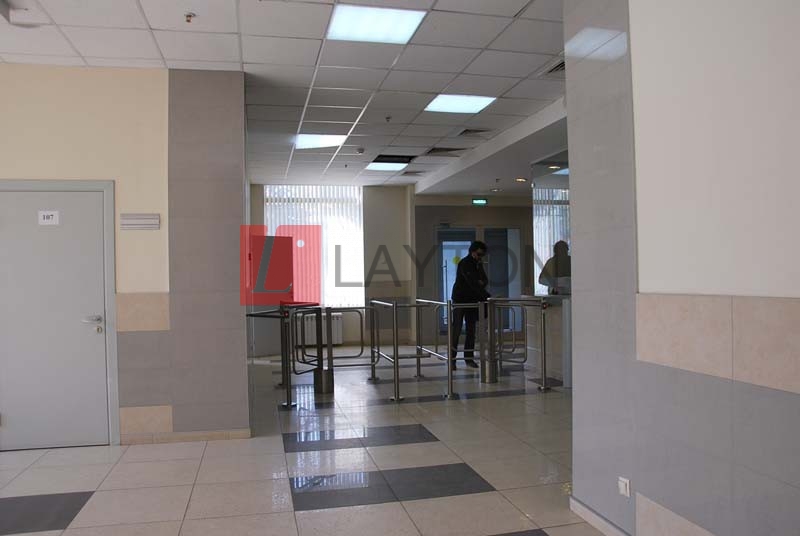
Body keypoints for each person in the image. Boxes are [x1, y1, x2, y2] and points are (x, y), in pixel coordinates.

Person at [450, 241, 490, 369]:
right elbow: (472, 282)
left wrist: (480, 283)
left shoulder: (478, 264)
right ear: (472, 252)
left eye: (482, 255)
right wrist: (485, 293)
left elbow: (485, 280)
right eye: (479, 254)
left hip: (472, 300)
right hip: (460, 300)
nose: (480, 257)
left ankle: (469, 358)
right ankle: (452, 360)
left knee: (471, 330)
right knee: (456, 330)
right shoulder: (465, 263)